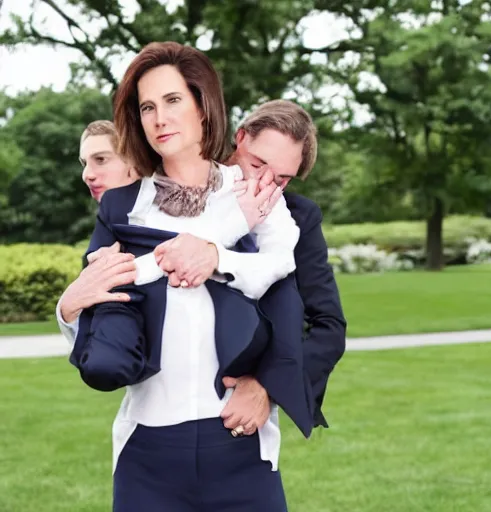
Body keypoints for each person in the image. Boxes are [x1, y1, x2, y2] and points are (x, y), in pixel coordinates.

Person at [59, 41, 311, 511]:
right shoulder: (122, 206)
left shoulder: (251, 187)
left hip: (241, 446)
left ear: (203, 105)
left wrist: (216, 255)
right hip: (147, 453)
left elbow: (282, 267)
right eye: (147, 106)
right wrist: (67, 308)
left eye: (173, 100)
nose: (159, 118)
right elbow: (99, 307)